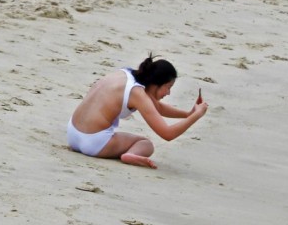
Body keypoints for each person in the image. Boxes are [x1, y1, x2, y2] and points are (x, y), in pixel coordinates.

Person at [67, 55, 208, 169]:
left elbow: (156, 107)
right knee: (145, 144)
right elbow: (167, 134)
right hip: (94, 143)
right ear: (157, 83)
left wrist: (188, 114)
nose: (169, 92)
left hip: (72, 133)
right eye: (168, 87)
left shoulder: (125, 73)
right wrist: (196, 116)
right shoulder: (138, 94)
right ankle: (130, 155)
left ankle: (127, 153)